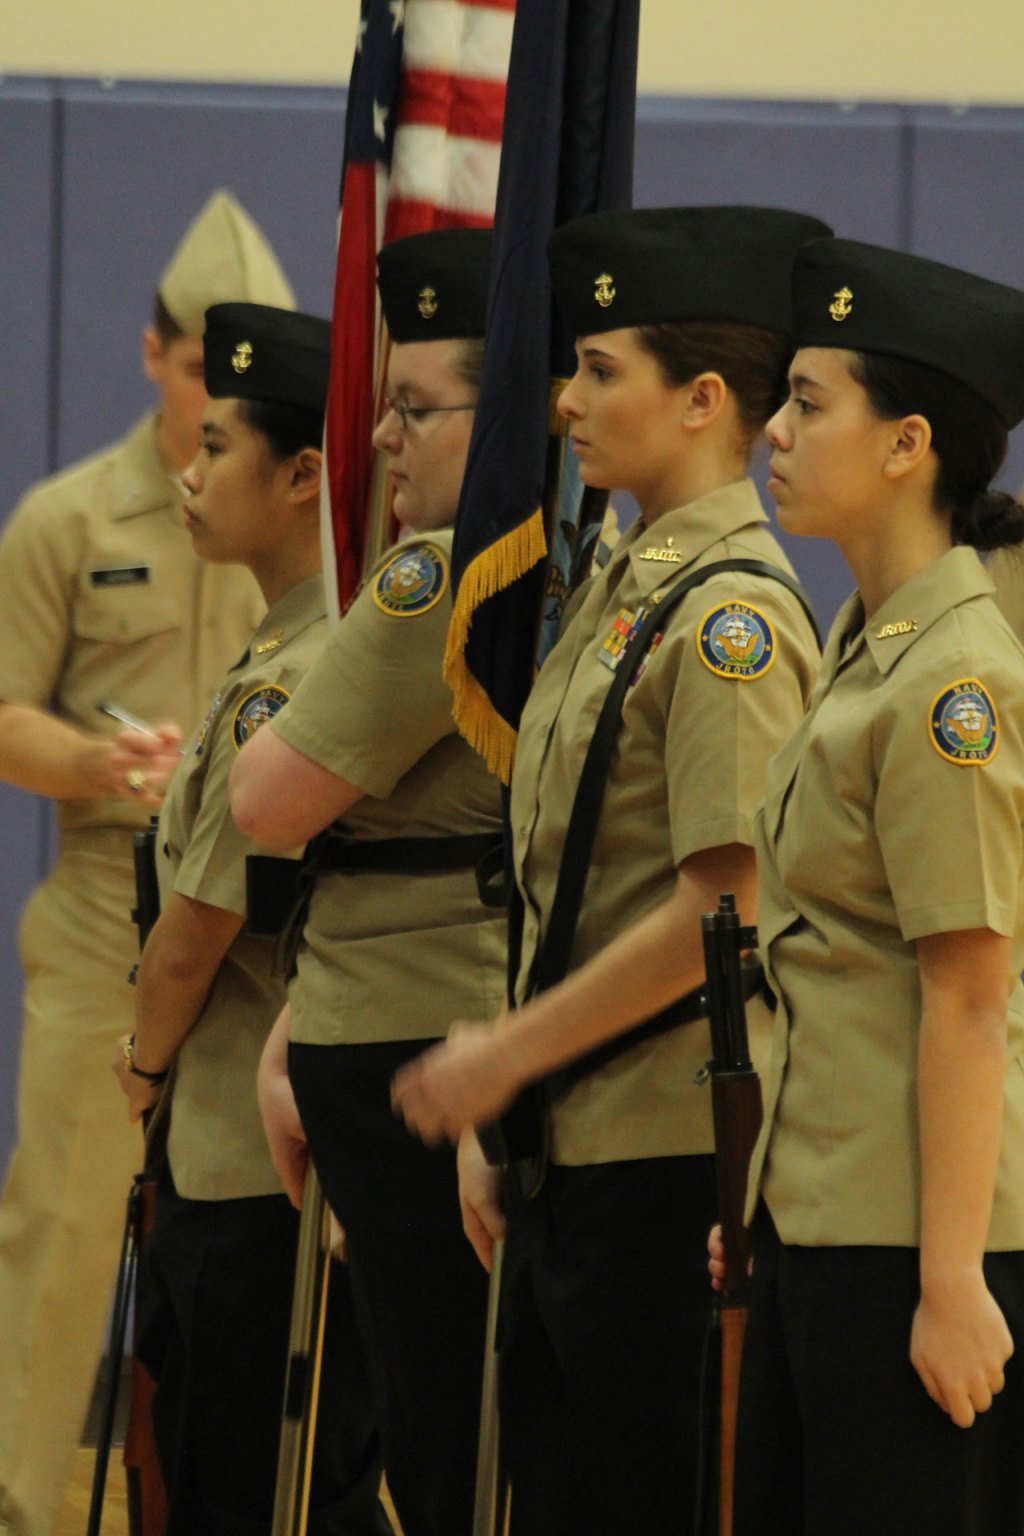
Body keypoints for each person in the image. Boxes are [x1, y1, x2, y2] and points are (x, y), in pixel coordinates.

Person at [391, 205, 827, 1535]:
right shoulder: (625, 582)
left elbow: (726, 904)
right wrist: (511, 1117)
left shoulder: (733, 617)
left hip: (662, 1162)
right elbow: (565, 882)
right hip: (573, 1149)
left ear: (703, 401)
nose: (565, 402)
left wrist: (513, 1056)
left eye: (599, 371)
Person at [0, 189, 294, 1536]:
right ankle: (20, 1503)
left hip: (256, 935)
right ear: (151, 353)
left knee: (233, 1253)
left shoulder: (300, 515)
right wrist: (88, 765)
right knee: (63, 1236)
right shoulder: (68, 520)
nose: (207, 405)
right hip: (102, 917)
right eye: (194, 372)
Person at [720, 238, 1024, 1536]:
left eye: (807, 401)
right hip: (823, 1219)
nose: (773, 433)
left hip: (911, 1241)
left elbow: (969, 991)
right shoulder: (862, 643)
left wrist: (951, 1278)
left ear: (907, 446)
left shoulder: (959, 683)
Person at [229, 227, 507, 1536]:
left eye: (415, 408)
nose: (382, 440)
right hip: (407, 1016)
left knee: (446, 1437)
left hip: (415, 1036)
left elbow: (264, 800)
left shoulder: (436, 577)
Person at [111, 301, 391, 1534]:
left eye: (218, 445)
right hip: (247, 1156)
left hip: (245, 1163)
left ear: (302, 475)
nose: (190, 467)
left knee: (250, 1491)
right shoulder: (291, 648)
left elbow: (193, 936)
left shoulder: (302, 671)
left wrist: (140, 1061)